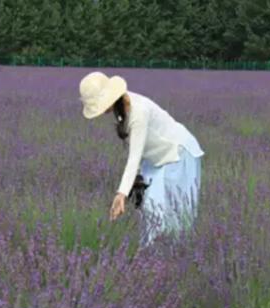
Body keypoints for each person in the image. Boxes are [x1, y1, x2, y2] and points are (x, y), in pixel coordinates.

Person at [79, 71, 205, 246]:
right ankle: (155, 256)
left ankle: (174, 254)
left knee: (169, 213)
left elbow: (134, 156)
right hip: (157, 158)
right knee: (151, 210)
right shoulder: (121, 106)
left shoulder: (138, 112)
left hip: (178, 153)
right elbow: (136, 148)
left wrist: (121, 194)